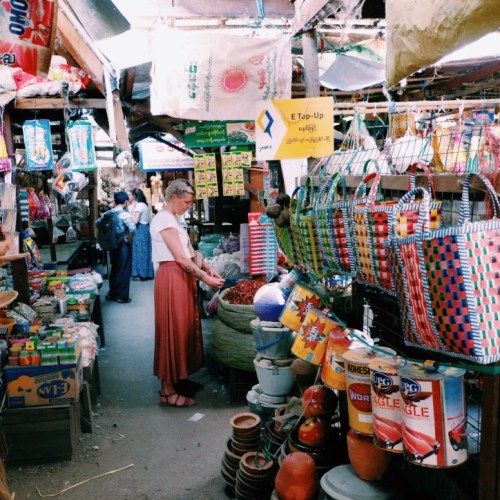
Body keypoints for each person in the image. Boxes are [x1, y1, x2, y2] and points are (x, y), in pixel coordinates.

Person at [150, 179, 225, 407]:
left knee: (182, 329)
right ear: (174, 197)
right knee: (172, 331)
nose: (189, 206)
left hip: (180, 276)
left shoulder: (173, 218)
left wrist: (207, 267)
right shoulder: (164, 219)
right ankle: (167, 391)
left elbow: (189, 251)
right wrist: (205, 278)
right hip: (172, 277)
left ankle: (177, 380)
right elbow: (181, 258)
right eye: (187, 202)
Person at [99, 191, 136, 303]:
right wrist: (129, 240)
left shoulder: (108, 213)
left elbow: (97, 224)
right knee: (124, 269)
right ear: (126, 202)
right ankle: (122, 296)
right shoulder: (125, 214)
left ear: (115, 201)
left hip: (112, 244)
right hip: (123, 244)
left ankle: (112, 294)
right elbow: (132, 229)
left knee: (115, 268)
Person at [129, 188, 154, 281]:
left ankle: (141, 273)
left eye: (131, 195)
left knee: (139, 251)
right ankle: (147, 273)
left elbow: (136, 221)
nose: (130, 197)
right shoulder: (146, 205)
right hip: (146, 228)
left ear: (135, 196)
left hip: (140, 229)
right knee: (146, 251)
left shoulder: (139, 205)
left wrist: (131, 214)